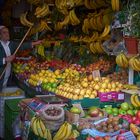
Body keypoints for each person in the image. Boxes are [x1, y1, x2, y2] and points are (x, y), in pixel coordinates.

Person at [0, 25, 42, 91]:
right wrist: (5, 59)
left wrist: (34, 43)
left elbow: (21, 46)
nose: (7, 34)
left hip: (7, 75)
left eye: (7, 32)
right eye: (4, 32)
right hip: (1, 75)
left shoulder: (11, 44)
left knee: (3, 94)